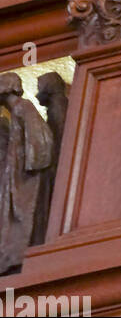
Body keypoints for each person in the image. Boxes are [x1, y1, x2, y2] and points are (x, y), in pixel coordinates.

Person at [0, 73, 55, 273]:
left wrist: (31, 165)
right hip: (17, 173)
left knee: (24, 212)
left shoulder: (24, 107)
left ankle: (18, 255)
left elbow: (41, 139)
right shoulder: (15, 112)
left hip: (27, 175)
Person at [34, 71, 70, 242]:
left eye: (40, 87)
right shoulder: (56, 107)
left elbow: (60, 138)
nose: (37, 93)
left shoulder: (59, 107)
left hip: (58, 164)